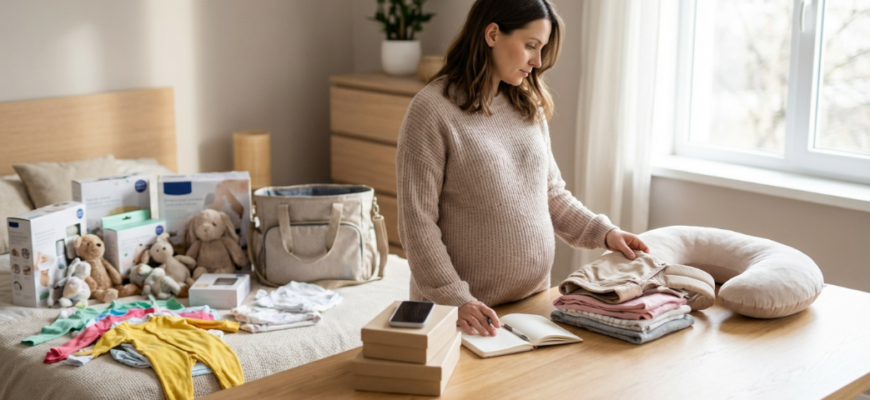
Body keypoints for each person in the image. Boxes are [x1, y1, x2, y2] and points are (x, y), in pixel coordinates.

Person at [396, 0, 650, 338]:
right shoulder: (431, 110)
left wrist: (603, 233)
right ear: (492, 34)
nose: (538, 61)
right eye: (531, 45)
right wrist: (457, 299)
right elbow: (417, 223)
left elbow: (551, 194)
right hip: (464, 315)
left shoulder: (526, 104)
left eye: (542, 49)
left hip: (532, 304)